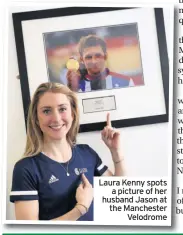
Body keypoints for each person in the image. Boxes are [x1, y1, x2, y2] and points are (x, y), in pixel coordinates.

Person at [10, 82, 125, 221]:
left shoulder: (87, 153)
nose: (57, 118)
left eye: (62, 109)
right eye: (46, 111)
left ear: (73, 114)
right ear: (36, 118)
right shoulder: (26, 169)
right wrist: (80, 208)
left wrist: (116, 152)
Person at [66, 35, 134, 92]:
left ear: (105, 56)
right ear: (82, 60)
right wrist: (72, 91)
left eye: (98, 56)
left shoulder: (126, 82)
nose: (94, 61)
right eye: (89, 57)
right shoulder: (75, 88)